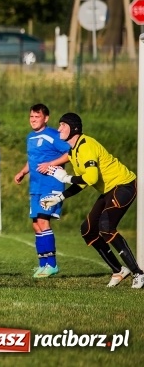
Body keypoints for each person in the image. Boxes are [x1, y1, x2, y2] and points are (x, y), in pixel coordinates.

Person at [42, 113, 144, 288]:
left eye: (62, 125)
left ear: (73, 128)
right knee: (87, 230)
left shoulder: (86, 146)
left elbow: (90, 177)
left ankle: (138, 273)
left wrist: (65, 178)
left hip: (124, 185)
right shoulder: (73, 151)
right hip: (108, 189)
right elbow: (84, 181)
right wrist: (60, 196)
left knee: (106, 227)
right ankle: (119, 270)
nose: (58, 129)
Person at [13, 104, 70, 278]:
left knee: (44, 221)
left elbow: (70, 153)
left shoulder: (53, 135)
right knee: (36, 224)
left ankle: (52, 265)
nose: (33, 120)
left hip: (51, 185)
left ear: (46, 118)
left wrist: (51, 164)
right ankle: (43, 265)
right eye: (31, 117)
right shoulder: (30, 137)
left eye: (37, 117)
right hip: (36, 186)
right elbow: (33, 161)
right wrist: (23, 172)